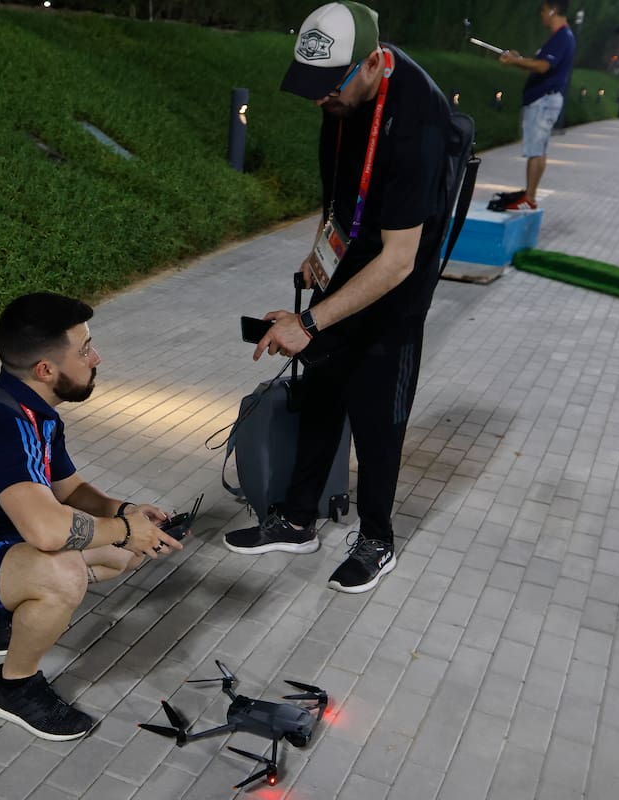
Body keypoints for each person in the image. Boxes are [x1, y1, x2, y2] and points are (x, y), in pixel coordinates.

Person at [223, 2, 451, 594]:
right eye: (314, 88)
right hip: (351, 262)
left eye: (331, 87)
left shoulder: (419, 124)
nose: (321, 99)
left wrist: (311, 322)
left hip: (398, 283)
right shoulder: (343, 99)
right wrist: (319, 257)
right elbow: (339, 198)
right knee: (320, 393)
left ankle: (377, 539)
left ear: (373, 63)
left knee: (378, 417)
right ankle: (297, 520)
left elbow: (399, 259)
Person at [0, 292, 182, 740]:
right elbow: (49, 531)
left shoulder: (32, 411)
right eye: (85, 349)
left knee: (119, 556)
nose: (97, 357)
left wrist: (124, 512)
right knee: (64, 572)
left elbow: (68, 489)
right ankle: (14, 688)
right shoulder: (2, 426)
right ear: (46, 370)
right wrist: (126, 530)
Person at [495, 1, 576, 211]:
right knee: (539, 149)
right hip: (547, 99)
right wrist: (520, 59)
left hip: (543, 100)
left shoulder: (561, 37)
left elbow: (542, 66)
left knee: (535, 150)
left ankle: (529, 197)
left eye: (542, 9)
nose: (541, 14)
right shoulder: (562, 37)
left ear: (553, 9)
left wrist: (514, 62)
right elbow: (541, 64)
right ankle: (529, 195)